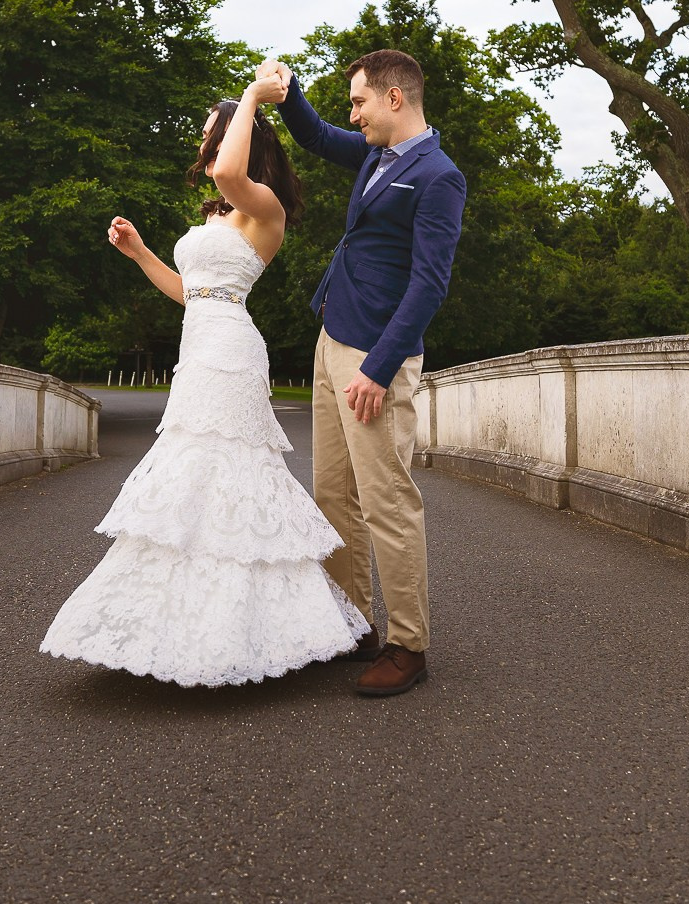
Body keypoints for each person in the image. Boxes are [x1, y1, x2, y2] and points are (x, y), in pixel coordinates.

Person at [39, 77, 369, 686]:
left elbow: (227, 175)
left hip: (234, 354)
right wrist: (139, 252)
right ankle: (178, 624)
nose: (200, 141)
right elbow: (190, 296)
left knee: (231, 471)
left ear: (232, 135)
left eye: (207, 130)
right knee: (192, 477)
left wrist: (248, 97)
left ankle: (255, 627)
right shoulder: (220, 212)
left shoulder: (263, 207)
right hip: (199, 350)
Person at [260, 50, 465, 698]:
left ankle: (409, 643)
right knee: (333, 494)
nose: (354, 114)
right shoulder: (377, 155)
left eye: (359, 102)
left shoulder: (438, 176)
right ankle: (352, 625)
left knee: (387, 502)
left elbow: (430, 284)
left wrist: (377, 369)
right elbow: (316, 134)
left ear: (395, 99)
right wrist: (285, 91)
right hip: (332, 339)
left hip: (377, 356)